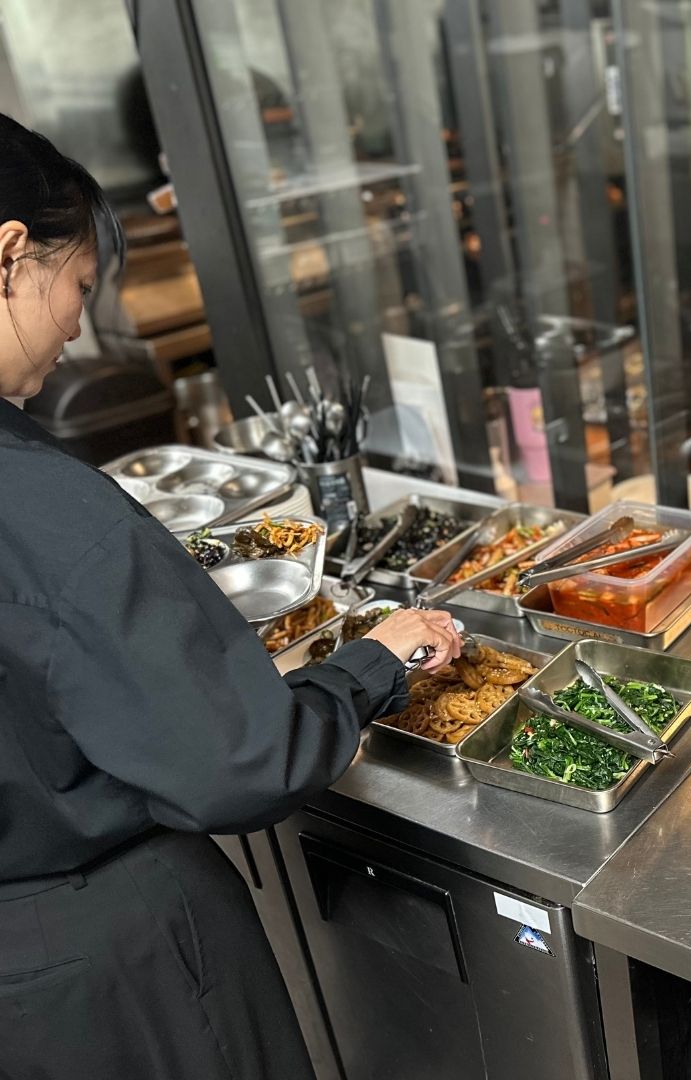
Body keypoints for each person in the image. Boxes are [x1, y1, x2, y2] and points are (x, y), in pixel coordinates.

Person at [0, 114, 463, 1078]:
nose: (79, 324)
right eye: (78, 287)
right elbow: (241, 762)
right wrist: (371, 664)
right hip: (111, 969)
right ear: (10, 257)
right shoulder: (44, 512)